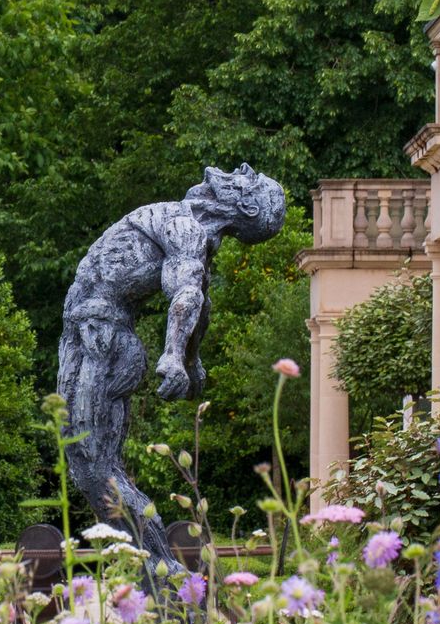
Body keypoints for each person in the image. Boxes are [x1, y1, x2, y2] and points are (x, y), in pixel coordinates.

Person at [56, 164, 287, 569]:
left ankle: (159, 569)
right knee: (95, 466)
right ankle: (157, 568)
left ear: (247, 207)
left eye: (247, 179)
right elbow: (200, 300)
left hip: (99, 339)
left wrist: (175, 358)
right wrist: (190, 359)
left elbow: (187, 294)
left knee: (92, 467)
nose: (240, 169)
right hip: (101, 336)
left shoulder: (185, 228)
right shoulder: (192, 232)